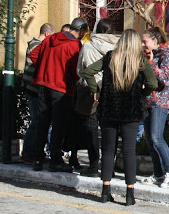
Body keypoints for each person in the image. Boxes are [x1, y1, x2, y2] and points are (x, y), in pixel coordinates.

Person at [82, 29, 158, 206]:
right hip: (131, 110)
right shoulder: (140, 61)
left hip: (109, 108)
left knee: (108, 150)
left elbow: (88, 72)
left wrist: (96, 90)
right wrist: (141, 93)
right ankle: (130, 193)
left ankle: (105, 190)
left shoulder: (110, 57)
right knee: (129, 150)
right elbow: (153, 83)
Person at [30, 17, 88, 172]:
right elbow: (75, 71)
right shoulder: (74, 45)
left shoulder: (51, 39)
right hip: (61, 88)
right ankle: (55, 160)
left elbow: (34, 54)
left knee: (42, 122)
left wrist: (45, 68)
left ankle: (37, 158)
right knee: (58, 125)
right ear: (81, 31)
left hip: (43, 84)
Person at [73, 18, 119, 177]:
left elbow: (80, 70)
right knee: (110, 128)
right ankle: (109, 167)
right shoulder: (117, 48)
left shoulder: (87, 46)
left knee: (91, 128)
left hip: (90, 90)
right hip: (110, 89)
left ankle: (93, 165)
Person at [141, 27, 169, 188]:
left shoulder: (166, 55)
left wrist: (151, 64)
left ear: (155, 41)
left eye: (145, 41)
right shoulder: (150, 55)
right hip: (147, 101)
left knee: (157, 138)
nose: (142, 44)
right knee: (150, 139)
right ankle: (158, 173)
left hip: (159, 102)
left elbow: (164, 78)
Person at [20, 23, 55, 164]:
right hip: (33, 89)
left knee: (39, 122)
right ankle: (27, 153)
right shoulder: (35, 45)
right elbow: (41, 60)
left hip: (34, 89)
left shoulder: (35, 44)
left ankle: (35, 152)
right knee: (36, 122)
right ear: (47, 34)